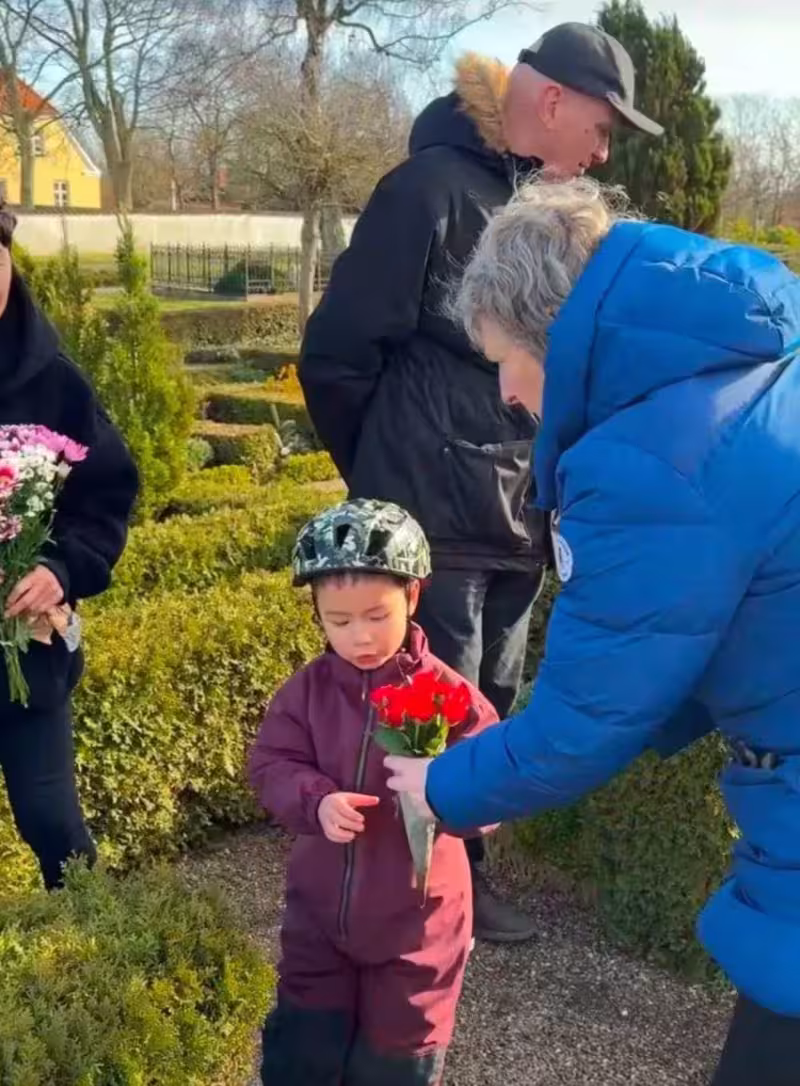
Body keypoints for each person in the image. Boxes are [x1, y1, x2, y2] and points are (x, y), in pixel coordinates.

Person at [383, 177, 800, 1086]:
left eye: (503, 359)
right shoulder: (752, 358)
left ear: (551, 335)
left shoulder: (648, 457)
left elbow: (582, 724)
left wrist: (442, 786)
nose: (506, 391)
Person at [299, 21, 662, 942]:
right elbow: (336, 354)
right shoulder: (425, 191)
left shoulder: (544, 208)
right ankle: (420, 887)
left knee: (489, 702)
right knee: (431, 704)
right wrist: (383, 480)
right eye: (604, 126)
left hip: (518, 511)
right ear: (554, 101)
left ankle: (460, 873)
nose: (605, 151)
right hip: (436, 513)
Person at [248, 499, 498, 1086]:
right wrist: (315, 800)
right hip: (318, 918)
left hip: (418, 928)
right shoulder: (306, 691)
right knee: (303, 1053)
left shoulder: (452, 697)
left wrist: (441, 791)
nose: (360, 636)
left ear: (412, 596)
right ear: (317, 614)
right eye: (338, 621)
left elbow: (492, 792)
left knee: (396, 1061)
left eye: (376, 616)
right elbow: (271, 763)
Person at [0, 202, 138, 890]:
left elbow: (105, 498)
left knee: (52, 821)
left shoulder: (54, 380)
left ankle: (93, 937)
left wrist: (59, 568)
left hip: (26, 647)